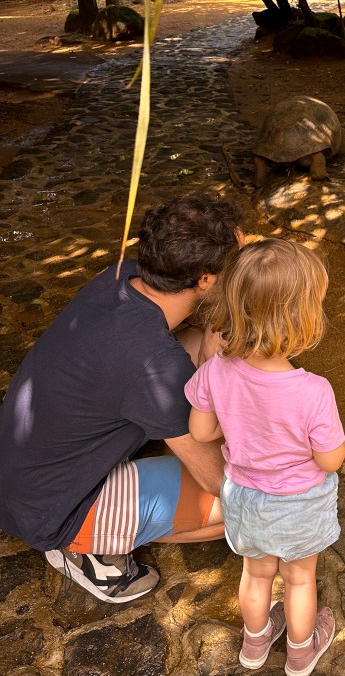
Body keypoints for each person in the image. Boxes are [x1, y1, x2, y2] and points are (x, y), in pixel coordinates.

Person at [0, 193, 243, 604]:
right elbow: (218, 480)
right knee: (247, 509)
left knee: (194, 347)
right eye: (236, 267)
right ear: (204, 280)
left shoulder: (121, 275)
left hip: (21, 472)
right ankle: (85, 550)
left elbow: (188, 337)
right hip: (53, 509)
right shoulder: (155, 367)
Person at [185, 238, 345, 676]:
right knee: (299, 579)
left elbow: (201, 432)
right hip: (299, 502)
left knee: (255, 575)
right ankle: (300, 653)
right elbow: (330, 460)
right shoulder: (314, 391)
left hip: (245, 496)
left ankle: (254, 645)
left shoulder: (216, 369)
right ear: (303, 318)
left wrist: (238, 423)